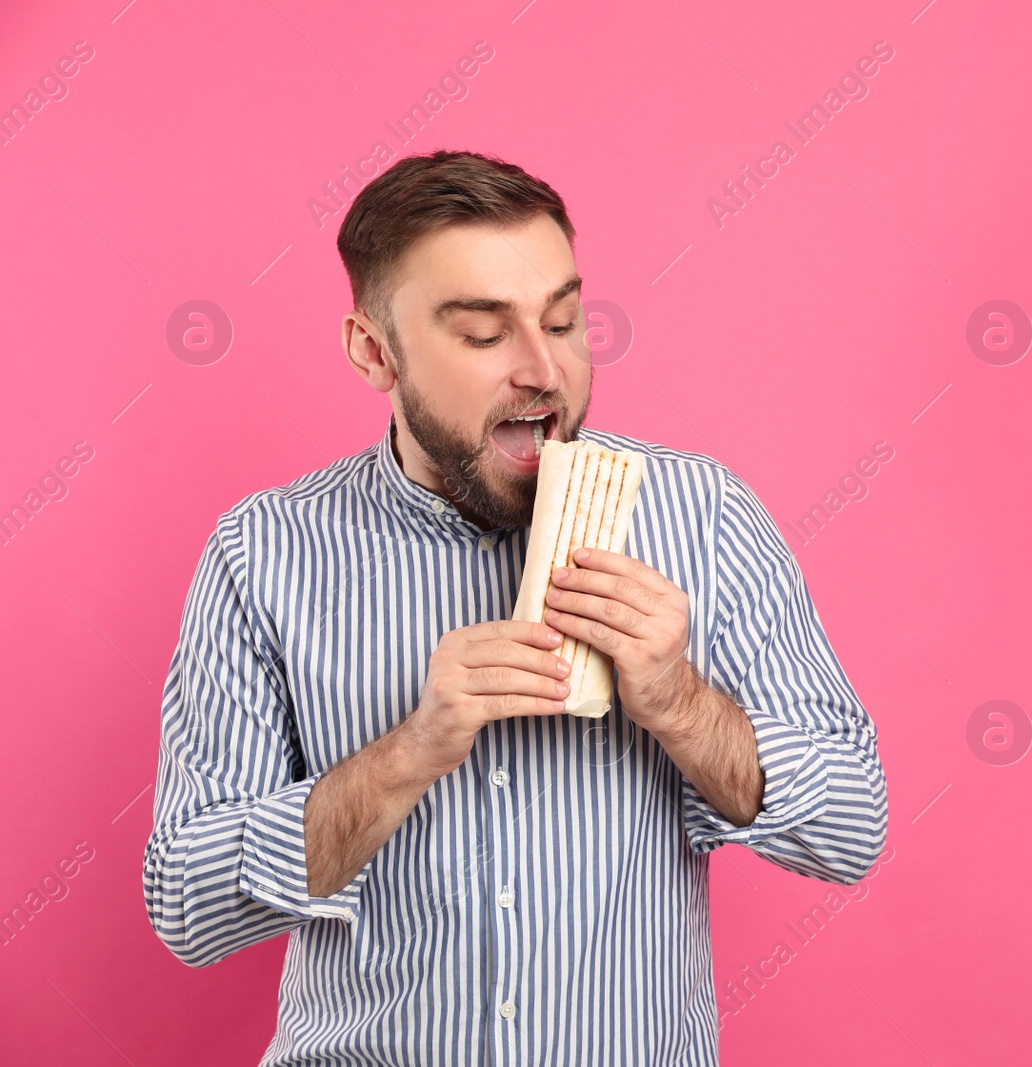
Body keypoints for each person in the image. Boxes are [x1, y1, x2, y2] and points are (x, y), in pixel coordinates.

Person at [141, 149, 888, 1065]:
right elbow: (186, 905)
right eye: (485, 335)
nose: (545, 370)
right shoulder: (264, 554)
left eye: (565, 321)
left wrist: (680, 701)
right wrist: (409, 753)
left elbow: (852, 828)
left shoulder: (704, 516)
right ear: (374, 351)